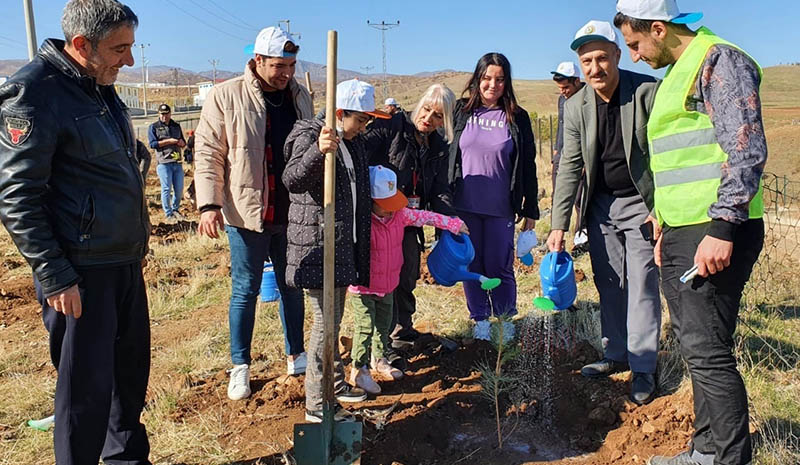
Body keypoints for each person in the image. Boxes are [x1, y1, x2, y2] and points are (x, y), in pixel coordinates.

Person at [615, 1, 767, 463]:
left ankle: (728, 458)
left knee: (707, 351)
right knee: (696, 348)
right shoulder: (676, 74)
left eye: (636, 44)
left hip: (715, 230)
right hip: (684, 230)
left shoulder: (719, 60)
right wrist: (663, 225)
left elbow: (746, 145)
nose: (635, 57)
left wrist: (723, 226)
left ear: (658, 29)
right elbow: (675, 162)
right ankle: (704, 450)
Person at [0, 1, 151, 464]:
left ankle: (126, 458)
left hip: (122, 258)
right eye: (119, 49)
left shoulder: (97, 86)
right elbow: (17, 197)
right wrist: (56, 274)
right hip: (81, 272)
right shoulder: (33, 93)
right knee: (85, 393)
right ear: (82, 45)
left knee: (128, 379)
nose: (128, 60)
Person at [546, 20, 662, 405]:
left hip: (642, 203)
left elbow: (664, 157)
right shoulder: (576, 104)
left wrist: (660, 209)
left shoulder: (646, 92)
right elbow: (570, 165)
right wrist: (558, 224)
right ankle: (615, 355)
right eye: (586, 61)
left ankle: (644, 366)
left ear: (616, 55)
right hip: (600, 205)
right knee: (610, 280)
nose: (594, 68)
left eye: (600, 58)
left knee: (643, 282)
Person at [195, 26, 313, 400]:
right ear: (258, 60)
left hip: (293, 211)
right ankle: (240, 366)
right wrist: (209, 204)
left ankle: (296, 352)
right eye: (279, 66)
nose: (287, 73)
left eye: (292, 65)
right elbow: (209, 153)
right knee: (245, 290)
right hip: (248, 213)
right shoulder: (225, 96)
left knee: (291, 285)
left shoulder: (300, 96)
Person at [283, 79, 390, 422]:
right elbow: (292, 180)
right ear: (340, 112)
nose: (364, 127)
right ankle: (317, 405)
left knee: (333, 321)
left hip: (344, 247)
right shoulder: (308, 133)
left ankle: (335, 384)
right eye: (360, 119)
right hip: (316, 246)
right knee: (324, 325)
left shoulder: (353, 142)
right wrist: (318, 150)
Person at [349, 165, 468, 394]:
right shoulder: (360, 221)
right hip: (363, 286)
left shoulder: (400, 215)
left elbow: (426, 217)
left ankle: (379, 358)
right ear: (370, 200)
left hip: (388, 284)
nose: (391, 210)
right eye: (385, 205)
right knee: (364, 328)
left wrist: (453, 224)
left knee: (383, 326)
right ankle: (359, 370)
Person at [448, 52, 539, 341]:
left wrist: (531, 209)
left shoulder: (517, 117)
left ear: (506, 82)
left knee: (500, 264)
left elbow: (528, 164)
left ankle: (505, 318)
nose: (492, 84)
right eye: (487, 78)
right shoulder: (460, 111)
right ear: (477, 79)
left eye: (499, 79)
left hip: (501, 206)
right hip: (465, 206)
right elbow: (444, 153)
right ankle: (480, 322)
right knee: (472, 265)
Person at [362, 83, 457, 360]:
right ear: (419, 104)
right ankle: (382, 342)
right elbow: (361, 151)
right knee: (386, 277)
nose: (428, 118)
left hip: (410, 219)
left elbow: (440, 187)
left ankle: (402, 329)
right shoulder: (393, 127)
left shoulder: (438, 146)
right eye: (427, 109)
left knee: (408, 273)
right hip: (381, 218)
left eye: (438, 116)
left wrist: (448, 222)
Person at [551, 61, 589, 256]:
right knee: (559, 195)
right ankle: (556, 238)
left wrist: (585, 162)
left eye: (566, 87)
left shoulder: (588, 98)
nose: (563, 91)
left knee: (579, 200)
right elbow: (561, 125)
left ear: (577, 81)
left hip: (580, 157)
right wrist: (556, 150)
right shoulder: (562, 100)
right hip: (562, 154)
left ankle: (581, 239)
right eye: (560, 88)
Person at [149, 103, 186, 222]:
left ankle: (176, 209)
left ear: (170, 113)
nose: (164, 116)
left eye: (166, 114)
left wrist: (181, 143)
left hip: (177, 161)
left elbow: (183, 142)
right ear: (159, 114)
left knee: (179, 189)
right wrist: (168, 141)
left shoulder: (176, 126)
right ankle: (168, 213)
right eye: (162, 114)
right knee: (166, 188)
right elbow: (153, 144)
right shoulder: (154, 127)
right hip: (164, 163)